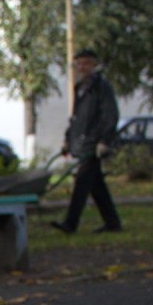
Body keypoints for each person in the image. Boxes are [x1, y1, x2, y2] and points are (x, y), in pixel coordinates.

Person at [52, 49, 123, 234]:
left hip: (94, 144)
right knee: (96, 185)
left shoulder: (101, 88)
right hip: (82, 143)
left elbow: (110, 115)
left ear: (94, 65)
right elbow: (75, 118)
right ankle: (113, 222)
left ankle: (70, 223)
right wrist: (68, 139)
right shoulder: (79, 88)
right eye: (79, 64)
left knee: (82, 183)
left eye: (86, 63)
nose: (82, 67)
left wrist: (104, 140)